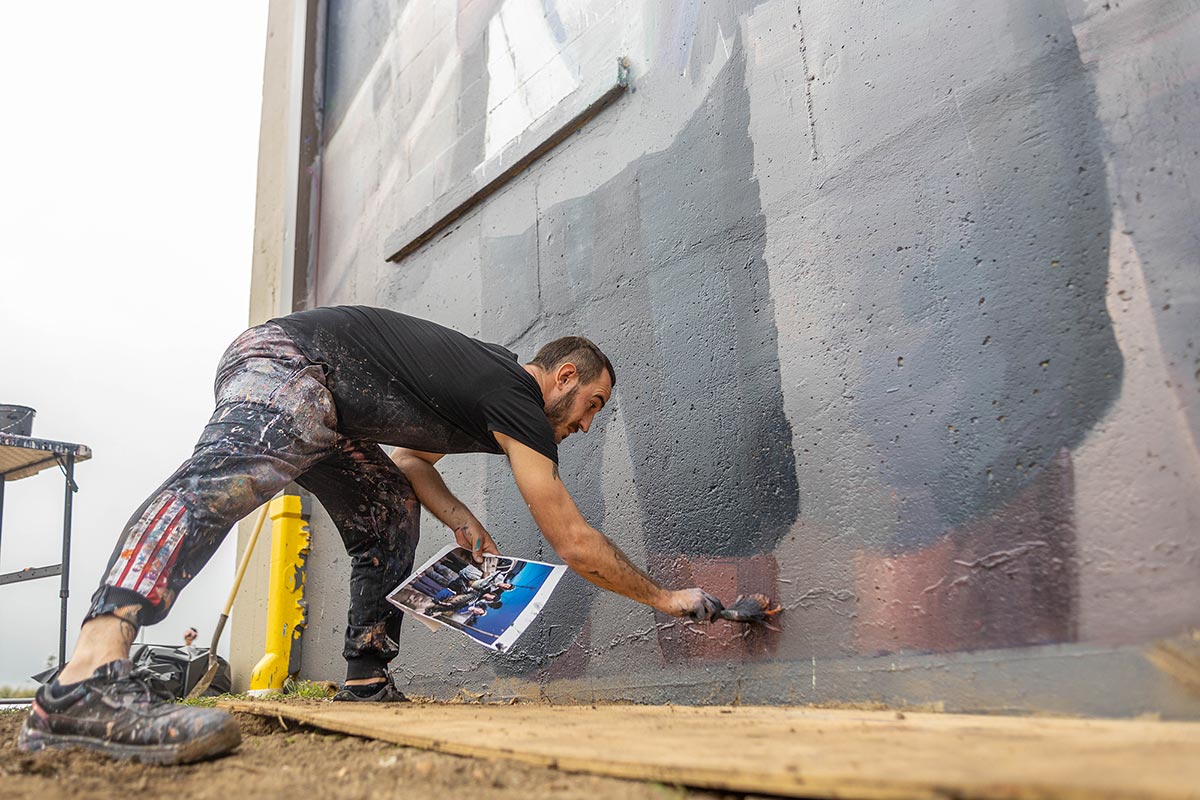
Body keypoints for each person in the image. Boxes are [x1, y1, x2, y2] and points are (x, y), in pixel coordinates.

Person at [17, 305, 727, 764]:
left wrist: (454, 513)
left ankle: (365, 676)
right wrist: (667, 600)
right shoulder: (516, 396)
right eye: (591, 404)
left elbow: (413, 459)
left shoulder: (486, 389)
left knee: (388, 510)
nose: (586, 423)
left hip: (335, 406)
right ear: (564, 375)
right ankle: (86, 678)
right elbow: (572, 539)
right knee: (233, 474)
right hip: (295, 365)